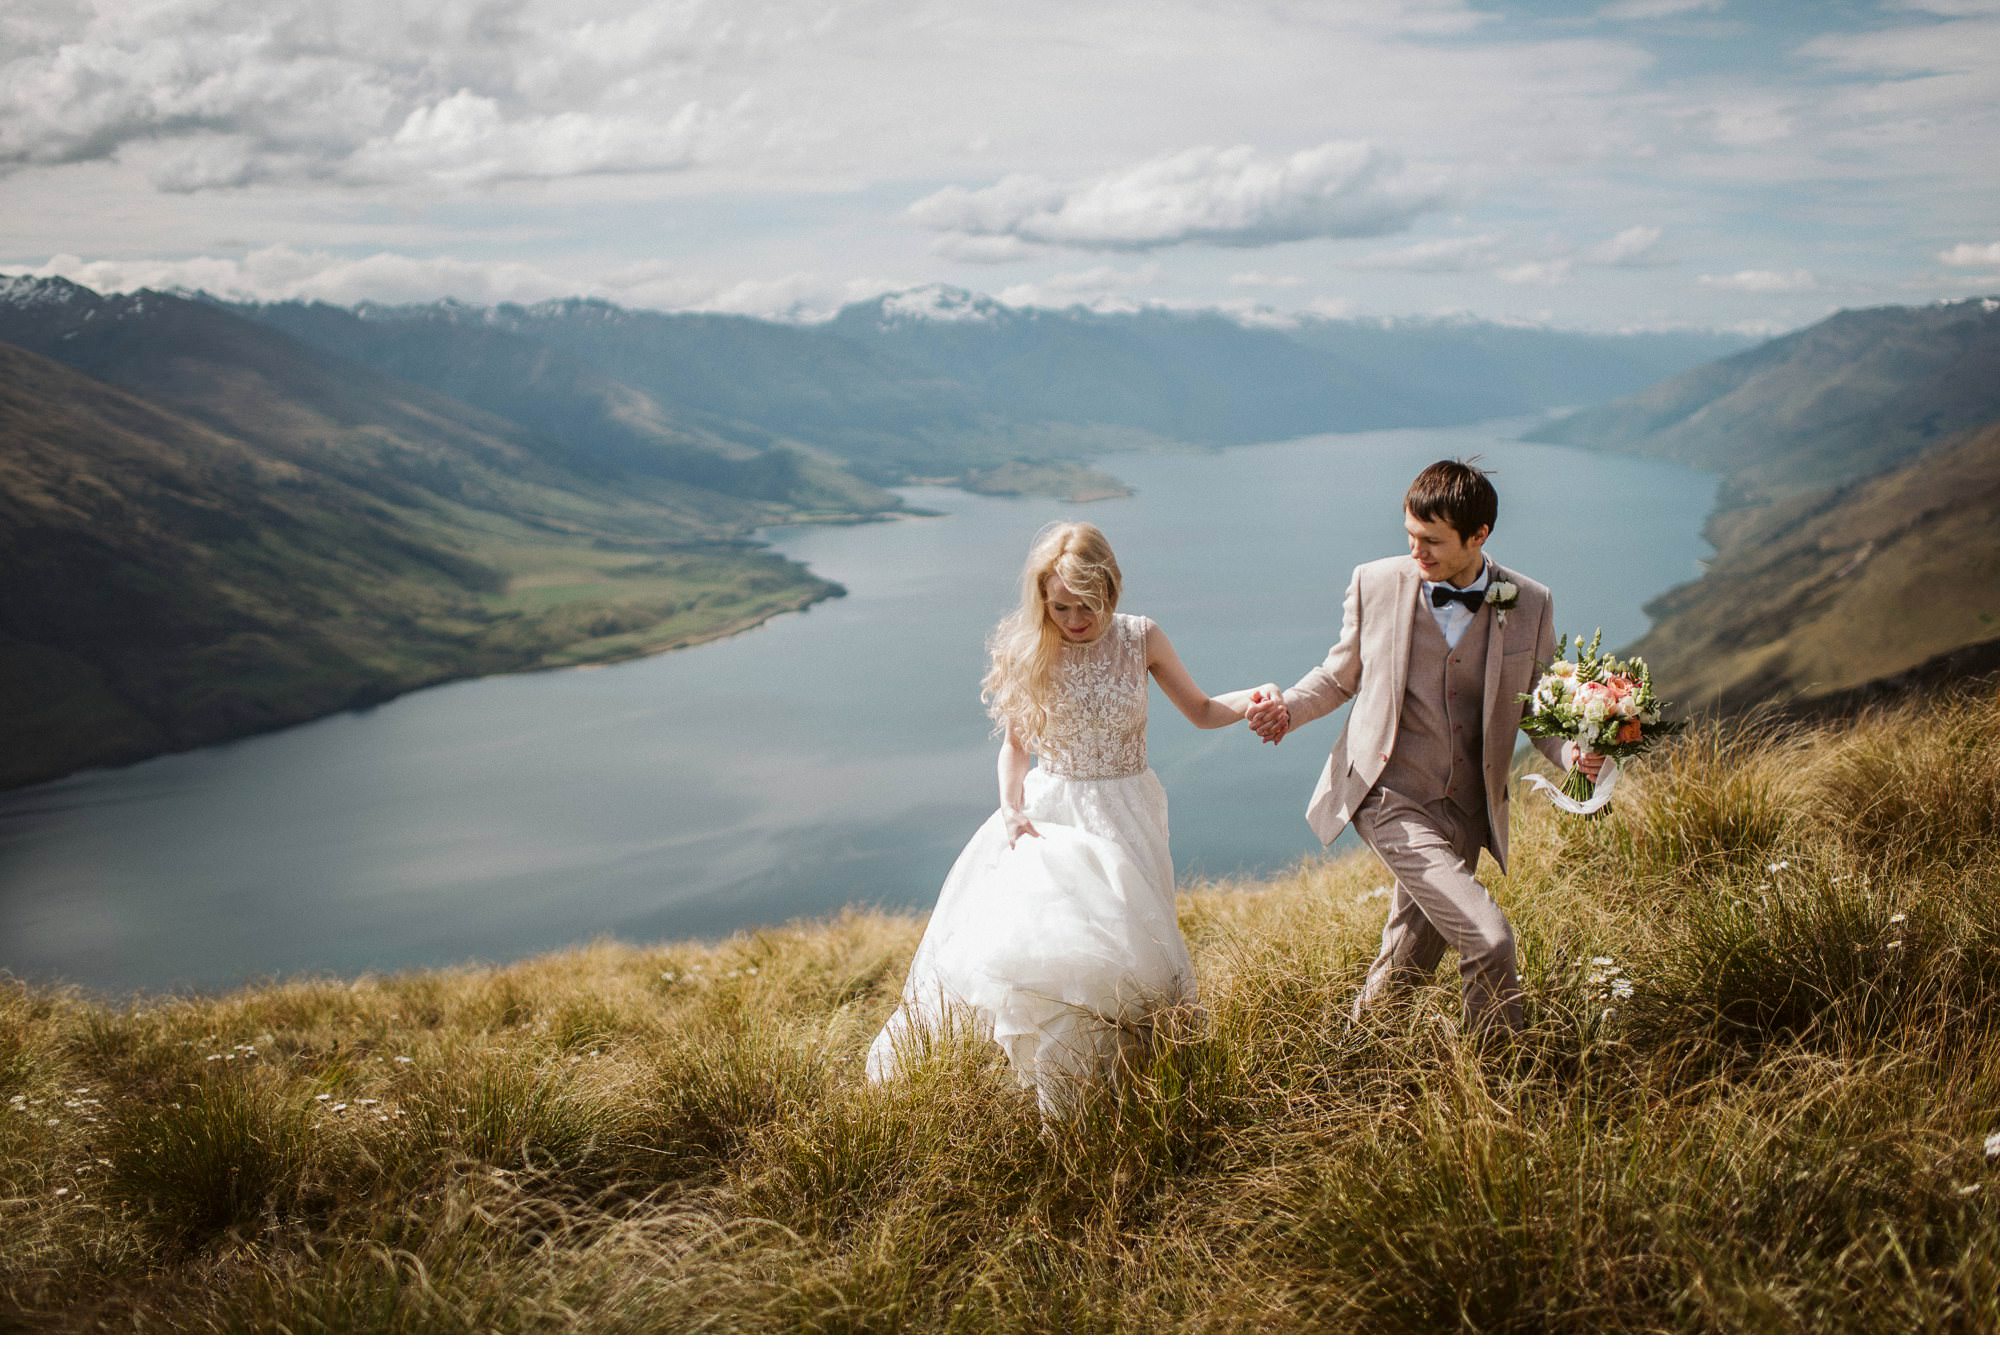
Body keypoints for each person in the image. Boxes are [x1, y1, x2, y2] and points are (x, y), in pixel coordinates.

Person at [866, 521, 1276, 1114]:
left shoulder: (1141, 638)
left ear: (1111, 588)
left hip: (1129, 814)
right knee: (1057, 957)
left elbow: (1203, 709)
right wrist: (1011, 809)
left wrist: (1257, 696)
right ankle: (1055, 1099)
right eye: (1060, 607)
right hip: (1050, 819)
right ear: (1042, 600)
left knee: (1137, 956)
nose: (1075, 619)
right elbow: (1015, 748)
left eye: (1088, 604)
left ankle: (1137, 1091)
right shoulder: (1030, 647)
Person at [1245, 460, 1602, 1038]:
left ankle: (1357, 1056)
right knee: (1489, 939)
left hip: (1467, 810)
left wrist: (1573, 757)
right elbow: (1338, 676)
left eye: (1432, 541)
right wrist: (1287, 708)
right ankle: (1500, 1074)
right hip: (1389, 795)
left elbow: (1539, 710)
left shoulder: (1531, 603)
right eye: (1410, 535)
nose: (1416, 551)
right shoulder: (1375, 582)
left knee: (1407, 963)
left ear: (1478, 535)